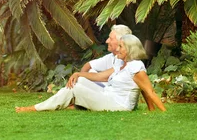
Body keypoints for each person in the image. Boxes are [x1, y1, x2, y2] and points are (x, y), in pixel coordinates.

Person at [15, 34, 166, 112]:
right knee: (79, 82)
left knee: (75, 88)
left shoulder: (135, 66)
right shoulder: (121, 63)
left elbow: (148, 91)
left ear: (129, 49)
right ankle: (65, 103)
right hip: (108, 95)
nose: (117, 49)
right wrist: (79, 74)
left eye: (120, 46)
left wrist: (159, 112)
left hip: (119, 104)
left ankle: (36, 108)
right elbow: (101, 77)